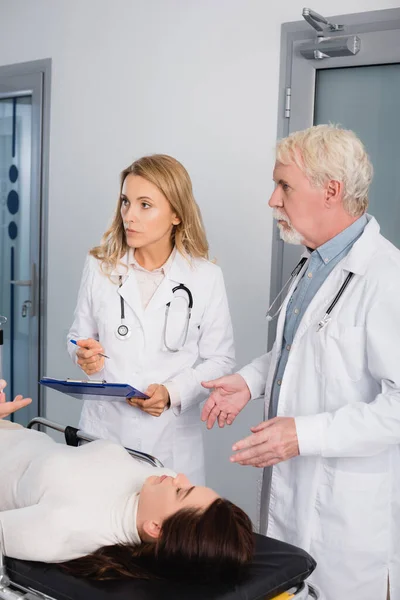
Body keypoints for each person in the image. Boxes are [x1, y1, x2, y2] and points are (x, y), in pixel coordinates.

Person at [201, 125, 400, 600]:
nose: (273, 199)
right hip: (293, 499)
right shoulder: (316, 262)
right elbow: (300, 350)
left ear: (331, 191)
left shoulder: (385, 278)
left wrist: (302, 434)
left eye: (284, 186)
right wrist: (251, 382)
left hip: (346, 517)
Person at [68, 154, 235, 485]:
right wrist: (82, 354)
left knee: (166, 534)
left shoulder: (205, 277)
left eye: (145, 205)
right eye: (126, 202)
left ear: (176, 213)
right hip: (104, 435)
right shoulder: (99, 266)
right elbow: (77, 335)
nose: (129, 216)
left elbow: (221, 360)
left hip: (169, 442)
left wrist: (172, 392)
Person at [0, 385, 254, 584]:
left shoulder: (64, 528)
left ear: (155, 528)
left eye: (180, 491)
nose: (180, 477)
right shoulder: (154, 485)